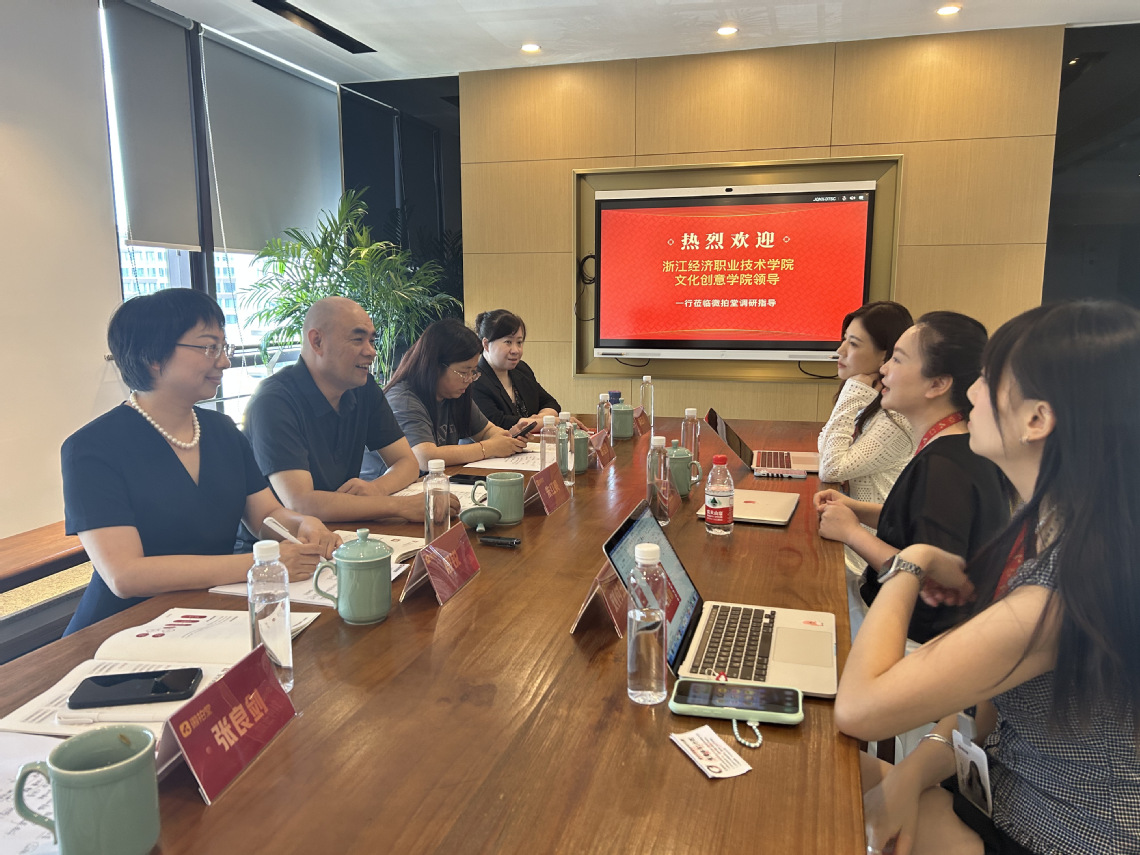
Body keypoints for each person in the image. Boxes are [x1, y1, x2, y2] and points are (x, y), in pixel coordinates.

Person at [835, 301, 1140, 855]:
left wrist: (912, 561)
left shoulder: (1064, 591)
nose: (973, 390)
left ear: (1037, 420)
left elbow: (859, 707)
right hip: (1002, 788)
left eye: (991, 378)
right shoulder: (1061, 533)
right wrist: (913, 776)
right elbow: (983, 717)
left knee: (811, 775)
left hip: (1050, 833)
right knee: (811, 768)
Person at [62, 289, 339, 634]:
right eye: (209, 347)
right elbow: (126, 575)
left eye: (224, 347)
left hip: (208, 613)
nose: (224, 362)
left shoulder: (222, 430)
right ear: (152, 356)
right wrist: (259, 564)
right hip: (120, 631)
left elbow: (266, 515)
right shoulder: (90, 449)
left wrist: (302, 524)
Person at [815, 312, 1009, 643]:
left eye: (898, 360)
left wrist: (851, 533)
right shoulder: (954, 445)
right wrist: (856, 508)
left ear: (938, 384)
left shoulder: (945, 467)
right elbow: (918, 526)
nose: (884, 370)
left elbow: (932, 578)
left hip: (908, 637)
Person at [243, 297, 443, 524]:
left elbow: (407, 462)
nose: (371, 352)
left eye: (371, 341)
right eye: (358, 340)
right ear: (317, 341)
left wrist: (376, 489)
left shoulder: (363, 388)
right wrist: (399, 506)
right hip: (284, 541)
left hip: (345, 528)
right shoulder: (273, 401)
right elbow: (301, 503)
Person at [817, 301, 915, 582]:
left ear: (886, 354)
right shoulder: (874, 398)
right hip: (852, 532)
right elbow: (826, 444)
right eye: (843, 340)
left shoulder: (897, 417)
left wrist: (851, 393)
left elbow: (831, 468)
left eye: (853, 344)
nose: (840, 351)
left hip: (867, 557)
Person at [384, 318, 527, 470]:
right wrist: (488, 448)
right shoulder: (403, 399)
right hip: (397, 484)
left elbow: (486, 431)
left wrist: (508, 438)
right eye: (464, 372)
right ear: (435, 367)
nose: (469, 380)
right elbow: (425, 458)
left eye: (473, 372)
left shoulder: (453, 393)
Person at [470, 309, 560, 431]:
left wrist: (539, 419)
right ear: (486, 344)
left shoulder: (522, 369)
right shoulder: (475, 379)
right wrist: (549, 422)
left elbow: (550, 403)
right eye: (508, 342)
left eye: (519, 342)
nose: (516, 350)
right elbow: (498, 423)